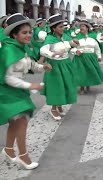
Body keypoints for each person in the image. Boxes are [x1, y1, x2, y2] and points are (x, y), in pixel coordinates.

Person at [0, 13, 52, 169]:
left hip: (16, 91)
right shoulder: (9, 50)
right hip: (6, 92)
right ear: (14, 34)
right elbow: (8, 78)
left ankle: (9, 150)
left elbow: (30, 64)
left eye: (30, 32)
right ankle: (23, 156)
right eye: (24, 32)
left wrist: (42, 67)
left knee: (16, 123)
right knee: (21, 121)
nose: (29, 35)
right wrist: (31, 86)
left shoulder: (21, 48)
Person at [40, 14, 78, 120]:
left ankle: (60, 105)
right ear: (53, 28)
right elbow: (43, 50)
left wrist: (75, 47)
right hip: (55, 66)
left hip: (66, 64)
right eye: (60, 27)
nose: (63, 29)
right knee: (56, 87)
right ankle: (53, 108)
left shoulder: (65, 37)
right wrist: (53, 54)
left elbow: (70, 47)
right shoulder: (50, 38)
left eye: (63, 26)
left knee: (65, 85)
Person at [72, 20, 103, 94]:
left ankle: (88, 84)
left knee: (89, 71)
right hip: (80, 58)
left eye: (83, 26)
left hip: (91, 57)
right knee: (81, 72)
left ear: (87, 28)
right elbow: (72, 47)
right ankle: (82, 88)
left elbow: (97, 47)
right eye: (80, 26)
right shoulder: (77, 37)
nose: (81, 28)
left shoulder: (93, 36)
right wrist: (75, 51)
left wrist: (99, 56)